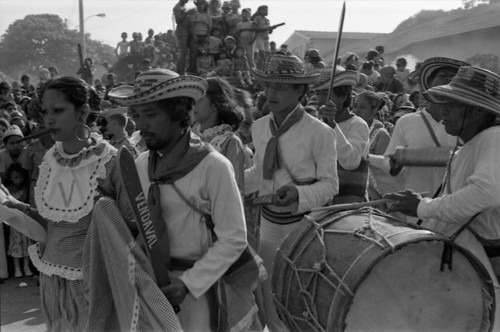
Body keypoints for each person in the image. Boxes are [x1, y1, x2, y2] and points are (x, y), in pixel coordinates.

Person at [2, 76, 182, 331]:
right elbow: (51, 226)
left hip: (94, 288)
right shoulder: (50, 160)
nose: (48, 119)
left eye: (58, 110)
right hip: (53, 282)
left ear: (83, 112)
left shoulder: (112, 161)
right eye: (45, 112)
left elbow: (134, 232)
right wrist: (13, 206)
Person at [109, 68, 250, 331]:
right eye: (136, 115)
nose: (141, 125)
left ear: (178, 114)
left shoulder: (213, 166)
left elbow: (234, 237)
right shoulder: (138, 165)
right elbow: (142, 228)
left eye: (150, 115)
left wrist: (188, 283)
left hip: (197, 290)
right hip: (148, 285)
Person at [384, 65, 500, 331]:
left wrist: (424, 206)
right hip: (469, 263)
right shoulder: (472, 144)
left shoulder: (493, 138)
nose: (443, 110)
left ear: (478, 110)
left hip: (484, 267)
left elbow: (487, 193)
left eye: (453, 104)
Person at [246, 54, 338, 331]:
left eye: (281, 87)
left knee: (303, 295)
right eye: (269, 85)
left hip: (304, 227)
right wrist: (229, 182)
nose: (271, 92)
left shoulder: (320, 132)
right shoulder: (259, 126)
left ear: (301, 91)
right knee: (268, 293)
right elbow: (258, 172)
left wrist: (298, 194)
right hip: (268, 224)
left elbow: (330, 185)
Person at [385, 57, 467, 205]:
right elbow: (390, 167)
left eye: (453, 77)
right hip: (414, 209)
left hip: (452, 209)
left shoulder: (466, 123)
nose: (448, 79)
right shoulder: (406, 122)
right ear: (429, 83)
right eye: (443, 75)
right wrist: (395, 163)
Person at [312, 67, 370, 204]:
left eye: (326, 93)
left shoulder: (357, 125)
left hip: (349, 209)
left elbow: (351, 162)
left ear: (343, 96)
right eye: (318, 93)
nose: (320, 99)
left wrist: (332, 125)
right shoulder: (318, 126)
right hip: (321, 205)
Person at [193, 76, 245, 192]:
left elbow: (236, 189)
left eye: (200, 99)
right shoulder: (188, 137)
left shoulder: (230, 142)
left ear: (215, 104)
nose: (194, 104)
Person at [4, 163, 33, 277]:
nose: (19, 180)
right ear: (10, 178)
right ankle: (17, 269)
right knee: (16, 244)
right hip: (14, 222)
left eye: (20, 177)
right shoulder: (8, 190)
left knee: (26, 244)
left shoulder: (26, 188)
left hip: (25, 220)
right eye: (16, 177)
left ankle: (26, 267)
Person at [173, 0, 191, 75]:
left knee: (185, 52)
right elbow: (178, 20)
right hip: (181, 31)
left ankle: (182, 71)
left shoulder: (184, 6)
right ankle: (180, 72)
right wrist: (187, 13)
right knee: (183, 52)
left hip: (187, 31)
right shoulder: (177, 7)